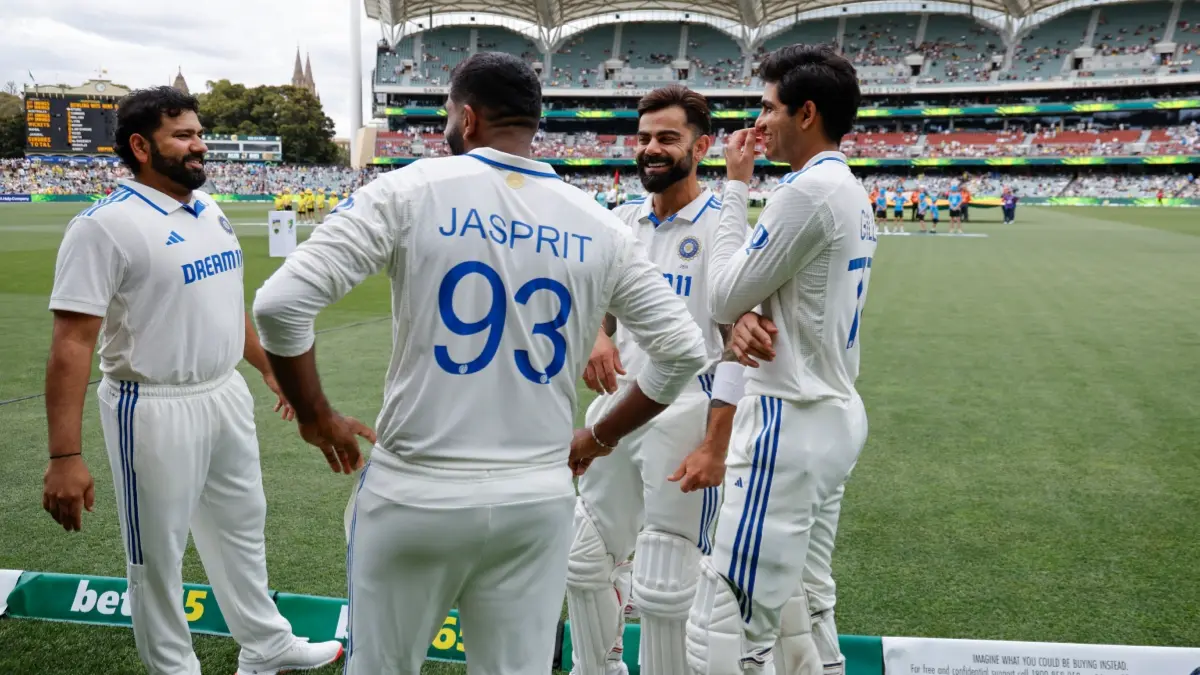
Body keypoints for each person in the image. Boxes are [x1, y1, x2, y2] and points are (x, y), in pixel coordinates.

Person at [250, 52, 709, 675]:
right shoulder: (600, 225)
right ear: (533, 123)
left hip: (416, 490)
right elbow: (683, 350)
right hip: (537, 499)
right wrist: (599, 435)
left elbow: (279, 306)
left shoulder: (410, 188)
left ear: (466, 118)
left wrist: (316, 416)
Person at [41, 86, 344, 675]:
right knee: (157, 555)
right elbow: (71, 344)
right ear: (141, 146)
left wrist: (269, 372)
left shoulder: (209, 209)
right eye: (183, 135)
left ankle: (265, 647)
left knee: (242, 527)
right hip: (150, 404)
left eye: (198, 133)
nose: (199, 145)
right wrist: (65, 456)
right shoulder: (103, 227)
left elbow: (227, 306)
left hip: (223, 393)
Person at [685, 44, 874, 675]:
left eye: (768, 108)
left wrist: (735, 189)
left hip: (787, 420)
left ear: (808, 112)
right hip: (834, 410)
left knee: (725, 625)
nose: (757, 124)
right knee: (805, 605)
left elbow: (720, 292)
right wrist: (742, 315)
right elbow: (773, 297)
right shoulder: (849, 189)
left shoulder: (807, 192)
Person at [566, 85, 738, 675]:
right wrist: (597, 335)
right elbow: (593, 310)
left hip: (687, 416)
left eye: (667, 138)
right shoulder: (618, 223)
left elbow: (741, 349)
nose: (651, 150)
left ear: (701, 145)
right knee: (583, 559)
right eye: (643, 139)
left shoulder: (726, 229)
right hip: (618, 409)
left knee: (665, 583)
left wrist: (717, 442)